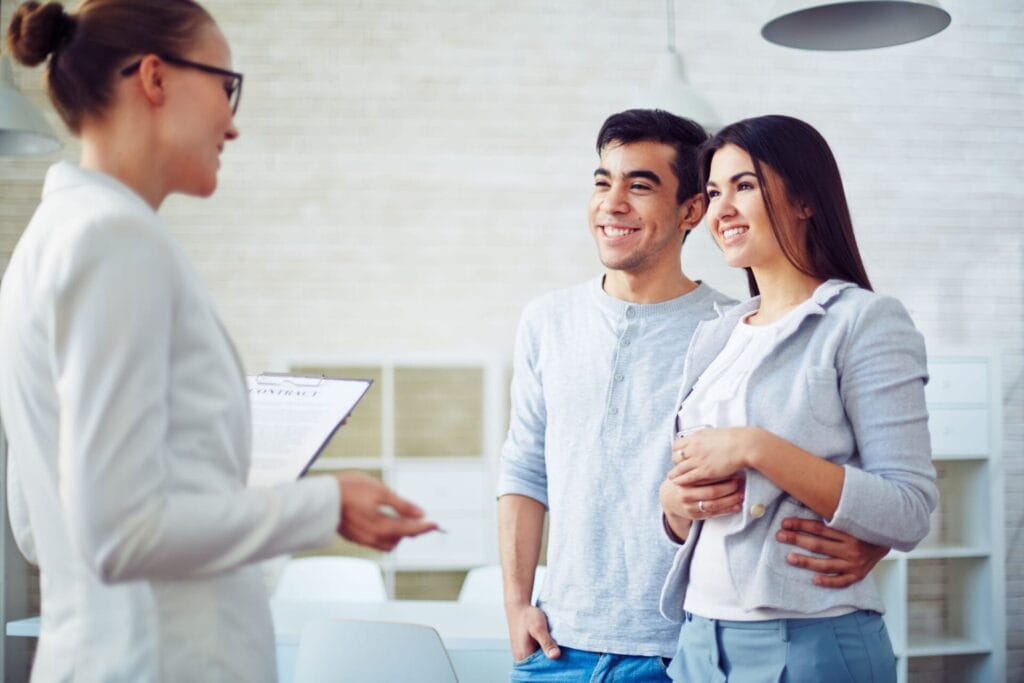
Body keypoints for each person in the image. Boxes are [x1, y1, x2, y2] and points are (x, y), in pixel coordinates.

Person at [0, 2, 435, 680]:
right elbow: (119, 529)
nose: (233, 123)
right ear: (154, 77)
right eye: (226, 86)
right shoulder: (114, 241)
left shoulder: (48, 240)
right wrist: (326, 503)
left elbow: (38, 521)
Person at [497, 108, 889, 682]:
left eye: (640, 185)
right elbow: (524, 468)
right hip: (555, 648)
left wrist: (871, 540)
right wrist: (515, 603)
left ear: (691, 210)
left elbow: (827, 457)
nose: (613, 202)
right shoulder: (546, 320)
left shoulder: (737, 329)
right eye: (603, 182)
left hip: (685, 647)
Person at [659, 114, 939, 682]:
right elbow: (688, 501)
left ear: (806, 201)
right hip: (697, 642)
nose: (722, 209)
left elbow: (909, 509)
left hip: (809, 641)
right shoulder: (718, 334)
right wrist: (673, 504)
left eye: (745, 186)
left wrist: (757, 448)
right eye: (714, 192)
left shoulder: (863, 320)